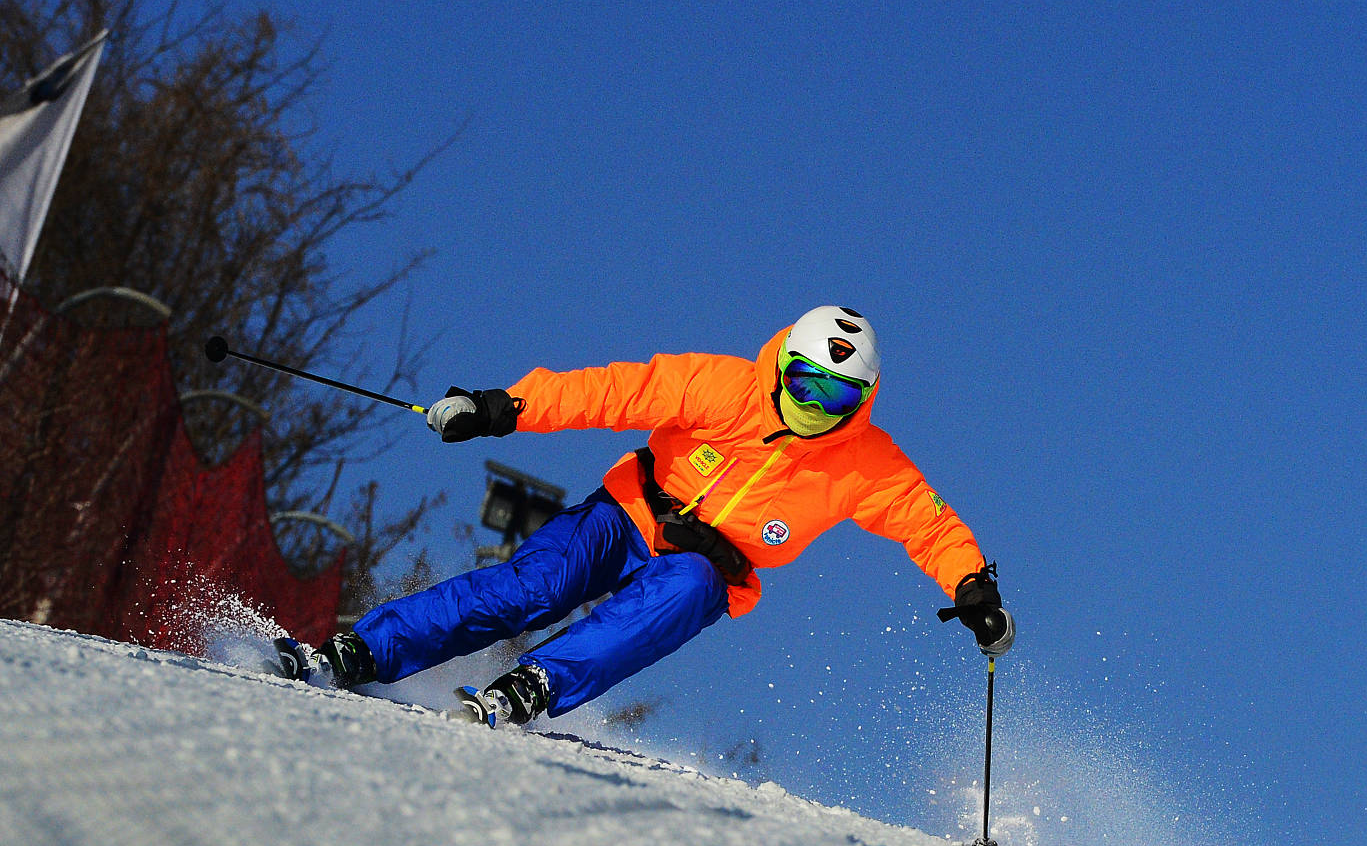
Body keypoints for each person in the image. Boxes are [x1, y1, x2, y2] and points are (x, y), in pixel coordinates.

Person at [275, 306, 1014, 726]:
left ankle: (535, 685)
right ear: (780, 365)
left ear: (865, 402)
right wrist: (504, 408)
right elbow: (615, 392)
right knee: (531, 589)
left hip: (700, 565)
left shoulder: (864, 462)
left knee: (693, 587)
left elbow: (928, 522)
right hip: (629, 511)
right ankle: (363, 652)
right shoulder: (722, 386)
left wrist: (973, 587)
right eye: (804, 384)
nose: (815, 408)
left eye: (838, 398)